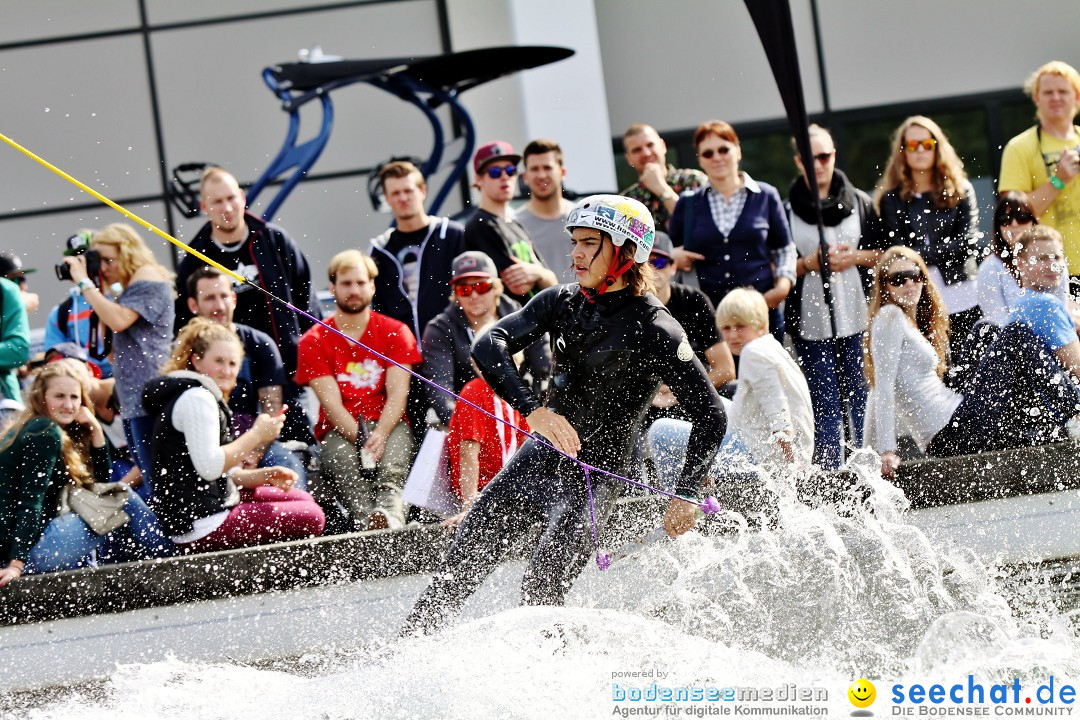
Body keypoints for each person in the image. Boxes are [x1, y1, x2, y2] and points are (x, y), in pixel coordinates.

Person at [403, 195, 726, 634]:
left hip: (598, 476)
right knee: (454, 574)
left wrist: (684, 493)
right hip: (539, 458)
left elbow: (712, 415)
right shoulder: (561, 301)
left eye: (588, 242)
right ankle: (403, 656)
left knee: (539, 595)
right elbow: (488, 345)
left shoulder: (658, 329)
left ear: (626, 252)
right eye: (574, 241)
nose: (574, 253)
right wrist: (533, 411)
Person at [863, 242, 1080, 480]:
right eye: (898, 279)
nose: (908, 284)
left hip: (959, 418)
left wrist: (869, 452)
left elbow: (876, 388)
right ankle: (1075, 407)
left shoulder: (911, 323)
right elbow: (881, 386)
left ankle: (1053, 423)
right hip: (952, 432)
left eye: (914, 276)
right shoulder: (889, 315)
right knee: (1015, 333)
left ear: (923, 279)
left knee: (985, 331)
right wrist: (884, 451)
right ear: (885, 287)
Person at [143, 319, 324, 552]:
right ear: (196, 361)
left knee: (303, 499)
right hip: (201, 525)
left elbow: (212, 473)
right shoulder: (197, 398)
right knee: (313, 515)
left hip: (208, 508)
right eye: (218, 361)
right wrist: (258, 434)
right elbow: (210, 467)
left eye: (233, 363)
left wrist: (261, 476)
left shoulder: (199, 394)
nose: (226, 370)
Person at [174, 167, 317, 444]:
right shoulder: (194, 258)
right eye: (216, 202)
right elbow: (184, 324)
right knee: (239, 454)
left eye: (231, 198)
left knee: (301, 447)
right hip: (228, 378)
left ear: (242, 197)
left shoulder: (274, 240)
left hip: (287, 369)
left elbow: (306, 303)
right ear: (204, 207)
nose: (226, 207)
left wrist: (307, 356)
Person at [0, 363, 171, 585]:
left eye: (74, 397)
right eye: (59, 396)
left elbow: (96, 490)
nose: (69, 405)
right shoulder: (44, 432)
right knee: (123, 497)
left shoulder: (36, 427)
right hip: (28, 554)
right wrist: (16, 565)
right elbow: (30, 502)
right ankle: (173, 561)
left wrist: (97, 433)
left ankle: (145, 567)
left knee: (114, 498)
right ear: (41, 397)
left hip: (23, 549)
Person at [295, 250, 421, 531]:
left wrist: (380, 435)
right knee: (345, 468)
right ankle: (368, 523)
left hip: (389, 423)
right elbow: (331, 404)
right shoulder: (313, 340)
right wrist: (362, 438)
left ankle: (391, 519)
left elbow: (398, 396)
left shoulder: (395, 332)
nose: (354, 290)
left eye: (361, 283)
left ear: (372, 286)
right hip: (340, 428)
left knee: (393, 471)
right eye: (346, 283)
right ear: (332, 288)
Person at [785, 124, 887, 468]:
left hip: (857, 315)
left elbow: (884, 254)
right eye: (809, 158)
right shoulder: (787, 209)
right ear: (798, 161)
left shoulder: (860, 202)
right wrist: (808, 263)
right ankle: (830, 473)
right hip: (810, 322)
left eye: (824, 156)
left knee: (861, 395)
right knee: (823, 400)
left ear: (834, 156)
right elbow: (781, 265)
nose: (818, 164)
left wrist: (854, 257)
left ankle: (866, 468)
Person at [648, 289, 814, 489]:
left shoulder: (753, 353)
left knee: (659, 431)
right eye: (726, 328)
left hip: (761, 458)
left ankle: (680, 501)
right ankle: (700, 475)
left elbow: (779, 414)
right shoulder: (773, 347)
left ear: (761, 324)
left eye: (741, 326)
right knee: (719, 407)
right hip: (776, 446)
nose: (733, 335)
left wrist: (795, 469)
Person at [62, 223, 174, 484]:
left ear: (128, 253)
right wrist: (97, 290)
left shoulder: (148, 278)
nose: (105, 267)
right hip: (135, 398)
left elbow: (119, 321)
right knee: (153, 480)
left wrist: (85, 282)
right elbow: (111, 351)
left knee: (160, 482)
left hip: (151, 397)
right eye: (99, 260)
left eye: (109, 260)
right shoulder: (127, 289)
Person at [668, 120, 796, 339]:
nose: (717, 157)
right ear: (700, 159)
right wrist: (673, 256)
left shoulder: (765, 195)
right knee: (722, 374)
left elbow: (784, 249)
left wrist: (782, 288)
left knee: (764, 372)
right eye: (708, 153)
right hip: (709, 318)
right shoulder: (688, 204)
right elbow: (666, 253)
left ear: (737, 151)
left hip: (760, 311)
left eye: (723, 149)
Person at [874, 116, 981, 374]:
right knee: (933, 372)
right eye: (912, 145)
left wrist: (920, 256)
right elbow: (898, 253)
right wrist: (935, 255)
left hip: (963, 292)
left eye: (926, 143)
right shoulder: (892, 199)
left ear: (937, 147)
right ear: (903, 151)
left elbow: (969, 243)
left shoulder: (961, 189)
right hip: (918, 296)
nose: (920, 150)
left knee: (971, 369)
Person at [187, 267, 308, 488]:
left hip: (257, 439)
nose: (219, 305)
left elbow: (273, 411)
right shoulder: (184, 348)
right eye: (209, 298)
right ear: (193, 305)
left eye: (224, 296)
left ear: (234, 299)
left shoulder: (259, 343)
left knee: (289, 470)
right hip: (203, 446)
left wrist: (253, 452)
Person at [421, 251, 551, 426]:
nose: (474, 295)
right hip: (468, 419)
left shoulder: (523, 316)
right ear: (456, 295)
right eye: (464, 289)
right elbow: (440, 390)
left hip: (524, 414)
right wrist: (468, 428)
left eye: (481, 286)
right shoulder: (439, 329)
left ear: (497, 287)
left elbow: (546, 370)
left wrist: (538, 417)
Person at [369, 160, 466, 342]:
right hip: (402, 355)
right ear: (387, 199)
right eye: (396, 193)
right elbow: (378, 310)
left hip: (453, 349)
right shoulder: (379, 249)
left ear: (423, 191)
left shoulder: (452, 234)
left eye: (408, 190)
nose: (403, 198)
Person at [998, 61, 1080, 277]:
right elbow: (1013, 219)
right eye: (1048, 92)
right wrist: (1058, 180)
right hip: (1051, 272)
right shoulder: (1019, 147)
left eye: (1063, 91)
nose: (1056, 98)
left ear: (1077, 97)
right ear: (1036, 99)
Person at [646, 231, 735, 415]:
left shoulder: (694, 300)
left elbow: (725, 369)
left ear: (673, 267)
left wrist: (682, 392)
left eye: (659, 263)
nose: (652, 269)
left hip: (694, 392)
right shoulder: (627, 306)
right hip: (646, 400)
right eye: (645, 263)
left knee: (738, 390)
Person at [442, 359, 531, 530]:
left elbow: (526, 444)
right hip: (481, 490)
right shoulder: (474, 392)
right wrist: (470, 507)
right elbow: (468, 454)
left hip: (506, 488)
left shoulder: (516, 393)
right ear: (478, 364)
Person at [463, 141, 557, 305]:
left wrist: (539, 274)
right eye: (494, 172)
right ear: (478, 179)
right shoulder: (480, 225)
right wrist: (540, 274)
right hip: (513, 325)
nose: (505, 177)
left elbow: (551, 280)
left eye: (510, 171)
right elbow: (518, 286)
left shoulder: (516, 224)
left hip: (539, 321)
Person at [976, 192, 1070, 326]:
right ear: (998, 226)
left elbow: (1061, 311)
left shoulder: (1054, 261)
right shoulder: (990, 267)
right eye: (1005, 219)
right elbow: (996, 321)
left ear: (1033, 221)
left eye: (1022, 217)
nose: (1014, 224)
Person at [45, 232, 113, 378]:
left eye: (87, 259)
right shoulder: (60, 312)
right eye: (75, 261)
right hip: (85, 383)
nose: (80, 266)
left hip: (124, 375)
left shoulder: (122, 297)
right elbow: (55, 360)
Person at [619, 123, 706, 233]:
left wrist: (660, 188)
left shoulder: (693, 179)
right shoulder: (626, 201)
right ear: (629, 159)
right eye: (637, 150)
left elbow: (701, 225)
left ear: (663, 146)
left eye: (650, 145)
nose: (646, 153)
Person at [514, 139, 577, 283]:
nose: (541, 175)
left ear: (562, 172)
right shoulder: (515, 225)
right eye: (534, 169)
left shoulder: (582, 217)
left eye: (547, 167)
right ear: (525, 177)